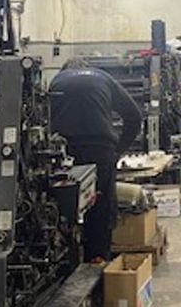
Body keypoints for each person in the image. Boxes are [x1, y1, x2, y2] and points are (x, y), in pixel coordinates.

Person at [49, 58, 142, 261]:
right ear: (87, 67)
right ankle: (97, 260)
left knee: (64, 204)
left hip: (65, 152)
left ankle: (66, 260)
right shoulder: (102, 77)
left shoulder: (56, 81)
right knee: (100, 205)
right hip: (100, 149)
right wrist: (119, 149)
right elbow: (134, 116)